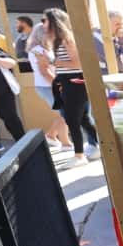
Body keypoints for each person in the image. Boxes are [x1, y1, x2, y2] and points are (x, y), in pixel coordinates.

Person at [44, 8, 100, 167]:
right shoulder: (59, 40)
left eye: (46, 20)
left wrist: (56, 63)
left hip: (74, 83)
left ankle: (79, 155)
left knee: (72, 119)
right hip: (68, 82)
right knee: (82, 119)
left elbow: (78, 63)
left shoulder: (66, 39)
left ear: (54, 22)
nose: (44, 24)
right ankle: (95, 146)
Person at [26, 22, 71, 150]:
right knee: (65, 113)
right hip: (48, 86)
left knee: (64, 113)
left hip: (49, 85)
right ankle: (64, 142)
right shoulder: (38, 51)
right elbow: (45, 72)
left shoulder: (44, 49)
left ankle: (53, 136)